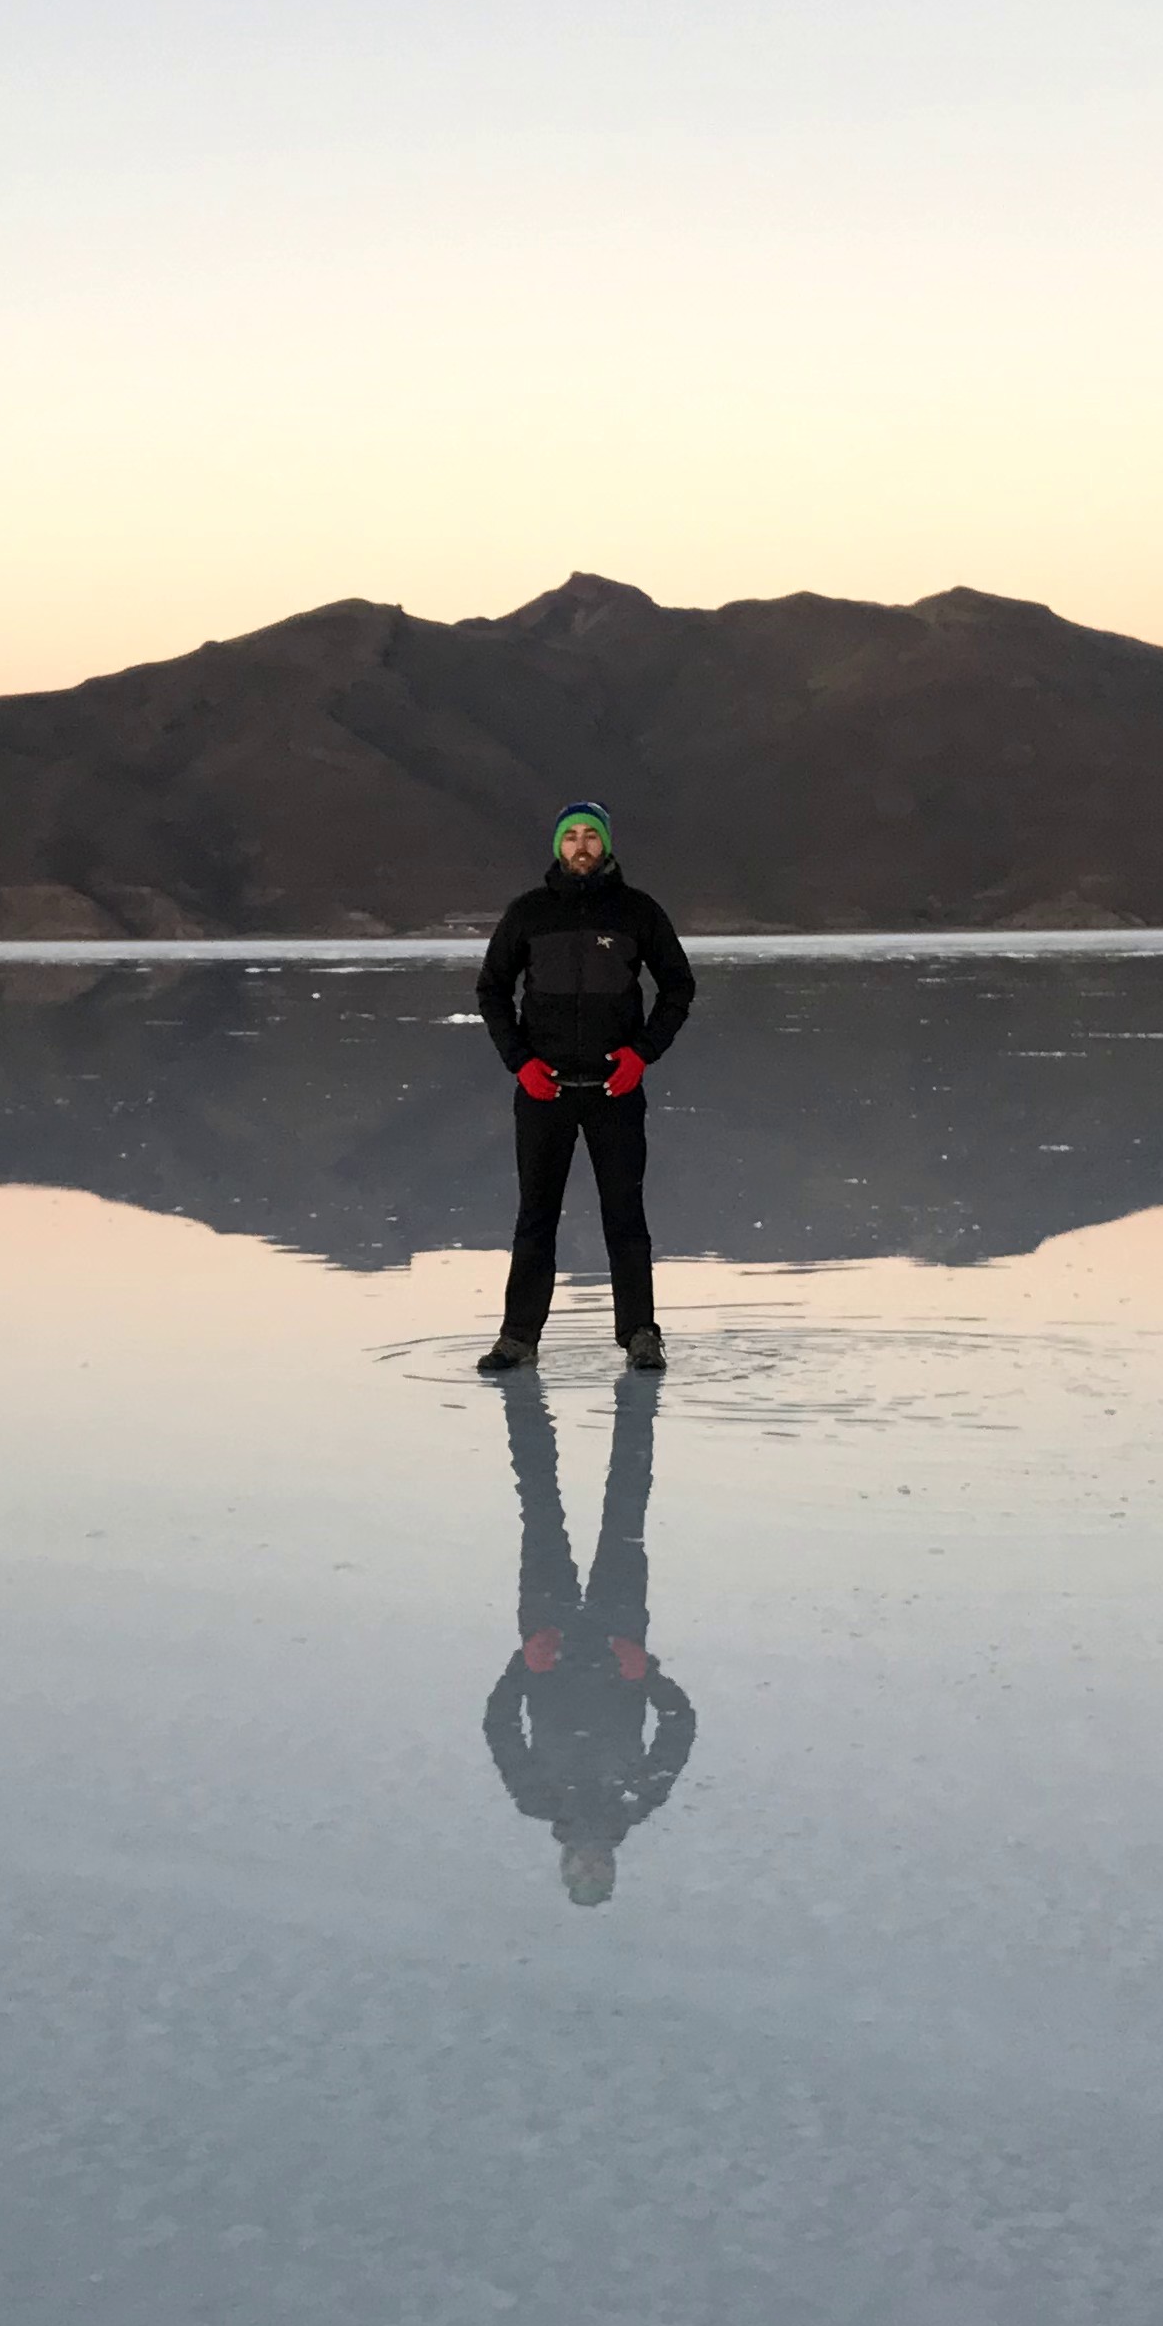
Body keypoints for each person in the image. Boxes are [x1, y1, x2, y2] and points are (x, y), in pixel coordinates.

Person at [472, 801, 696, 1374]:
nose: (580, 846)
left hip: (614, 1092)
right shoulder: (529, 914)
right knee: (535, 1216)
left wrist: (641, 1054)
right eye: (570, 837)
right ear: (557, 847)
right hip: (543, 1090)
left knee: (625, 1215)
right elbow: (492, 989)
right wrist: (519, 1061)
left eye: (590, 838)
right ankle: (518, 1337)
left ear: (605, 846)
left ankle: (641, 1334)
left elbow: (678, 986)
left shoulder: (636, 912)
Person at [480, 1366, 694, 1905]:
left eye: (583, 1872)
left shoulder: (535, 1798)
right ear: (613, 1867)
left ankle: (525, 1405)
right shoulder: (638, 1799)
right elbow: (678, 1723)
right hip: (619, 1633)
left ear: (566, 1864)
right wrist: (646, 1672)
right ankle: (636, 1405)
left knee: (539, 1509)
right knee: (628, 1503)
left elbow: (500, 1722)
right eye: (601, 1873)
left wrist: (522, 1662)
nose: (591, 1863)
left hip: (545, 1634)